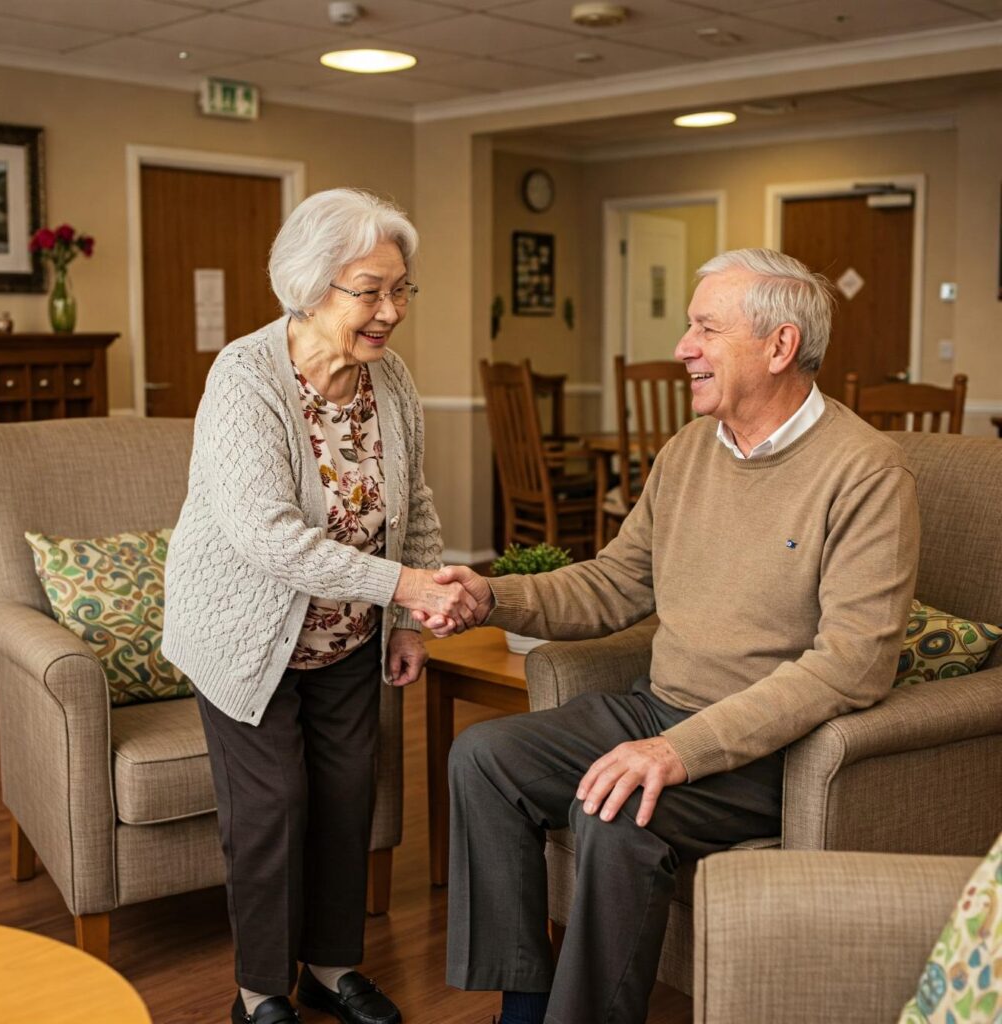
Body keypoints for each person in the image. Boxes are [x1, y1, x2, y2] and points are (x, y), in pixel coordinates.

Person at [419, 248, 920, 1024]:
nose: (683, 347)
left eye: (704, 329)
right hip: (659, 707)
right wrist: (492, 596)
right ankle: (524, 1003)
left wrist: (683, 751)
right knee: (487, 757)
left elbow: (852, 665)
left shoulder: (865, 471)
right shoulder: (687, 454)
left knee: (618, 814)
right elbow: (615, 583)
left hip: (766, 749)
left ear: (779, 346)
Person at [162, 188, 477, 1024]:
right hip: (244, 635)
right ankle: (260, 990)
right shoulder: (245, 377)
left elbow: (413, 503)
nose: (390, 312)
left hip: (347, 637)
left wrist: (405, 622)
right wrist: (404, 588)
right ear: (309, 285)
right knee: (272, 811)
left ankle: (331, 969)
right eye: (369, 290)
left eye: (401, 289)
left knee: (346, 799)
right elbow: (267, 537)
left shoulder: (391, 379)